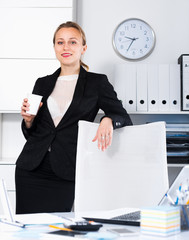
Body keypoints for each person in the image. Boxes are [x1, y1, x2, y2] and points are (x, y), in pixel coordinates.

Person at [15, 21, 132, 214]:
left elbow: (123, 116)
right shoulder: (42, 83)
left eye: (73, 42)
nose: (66, 47)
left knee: (57, 229)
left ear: (83, 48)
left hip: (67, 170)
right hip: (30, 168)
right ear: (54, 48)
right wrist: (28, 121)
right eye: (60, 42)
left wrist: (107, 119)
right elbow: (33, 133)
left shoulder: (97, 83)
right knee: (27, 229)